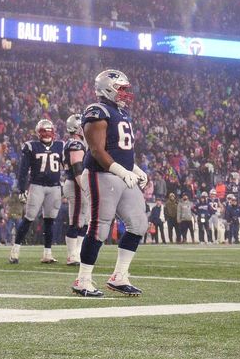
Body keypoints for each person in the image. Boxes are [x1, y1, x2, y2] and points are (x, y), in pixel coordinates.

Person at [71, 69, 150, 297]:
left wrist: (134, 169)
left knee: (138, 224)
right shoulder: (97, 110)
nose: (125, 93)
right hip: (100, 174)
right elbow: (96, 150)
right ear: (108, 88)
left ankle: (119, 277)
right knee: (99, 227)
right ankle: (83, 280)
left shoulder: (121, 113)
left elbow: (121, 150)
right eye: (121, 89)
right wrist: (121, 171)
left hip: (120, 174)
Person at [9, 119, 64, 264]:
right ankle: (15, 251)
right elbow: (23, 170)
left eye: (49, 131)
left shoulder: (60, 146)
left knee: (50, 220)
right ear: (38, 132)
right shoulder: (31, 146)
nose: (47, 134)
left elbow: (68, 165)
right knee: (29, 217)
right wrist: (22, 188)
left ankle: (47, 253)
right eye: (44, 131)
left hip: (54, 187)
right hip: (37, 186)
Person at [61, 113, 89, 265]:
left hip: (76, 183)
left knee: (82, 220)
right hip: (76, 184)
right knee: (76, 220)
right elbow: (77, 167)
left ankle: (77, 253)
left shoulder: (72, 143)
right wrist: (85, 187)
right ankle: (72, 255)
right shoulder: (76, 144)